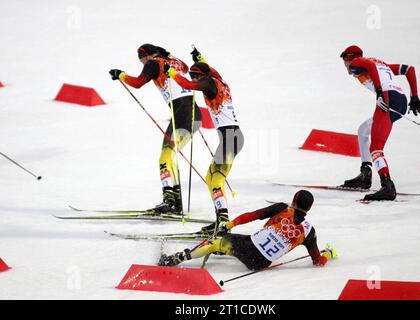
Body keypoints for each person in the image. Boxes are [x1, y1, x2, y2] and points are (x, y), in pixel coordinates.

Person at [109, 44, 202, 214]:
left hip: (182, 114)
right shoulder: (175, 61)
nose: (143, 65)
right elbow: (187, 68)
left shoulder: (153, 63)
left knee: (165, 157)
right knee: (170, 156)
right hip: (195, 115)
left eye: (141, 60)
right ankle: (176, 203)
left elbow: (137, 83)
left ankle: (169, 202)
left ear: (145, 56)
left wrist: (120, 74)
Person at [164, 47, 244, 234]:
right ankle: (220, 220)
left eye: (195, 76)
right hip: (230, 138)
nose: (194, 80)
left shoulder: (208, 83)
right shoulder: (216, 78)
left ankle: (223, 223)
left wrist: (173, 72)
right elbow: (209, 69)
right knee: (210, 178)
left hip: (231, 137)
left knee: (216, 180)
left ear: (200, 76)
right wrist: (199, 58)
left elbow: (188, 86)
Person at [158, 190, 337, 270]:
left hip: (249, 247)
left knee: (216, 242)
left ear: (294, 201)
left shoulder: (283, 208)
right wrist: (327, 253)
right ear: (309, 208)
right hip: (260, 264)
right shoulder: (309, 232)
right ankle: (224, 250)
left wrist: (228, 224)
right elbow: (318, 261)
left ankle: (175, 259)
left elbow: (251, 215)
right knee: (239, 241)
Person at [339, 45, 420, 201]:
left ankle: (387, 185)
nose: (345, 66)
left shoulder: (356, 63)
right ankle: (366, 174)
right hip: (399, 100)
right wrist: (414, 97)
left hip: (387, 99)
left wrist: (380, 93)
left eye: (344, 61)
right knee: (363, 131)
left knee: (376, 148)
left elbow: (370, 66)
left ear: (347, 57)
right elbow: (409, 69)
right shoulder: (381, 64)